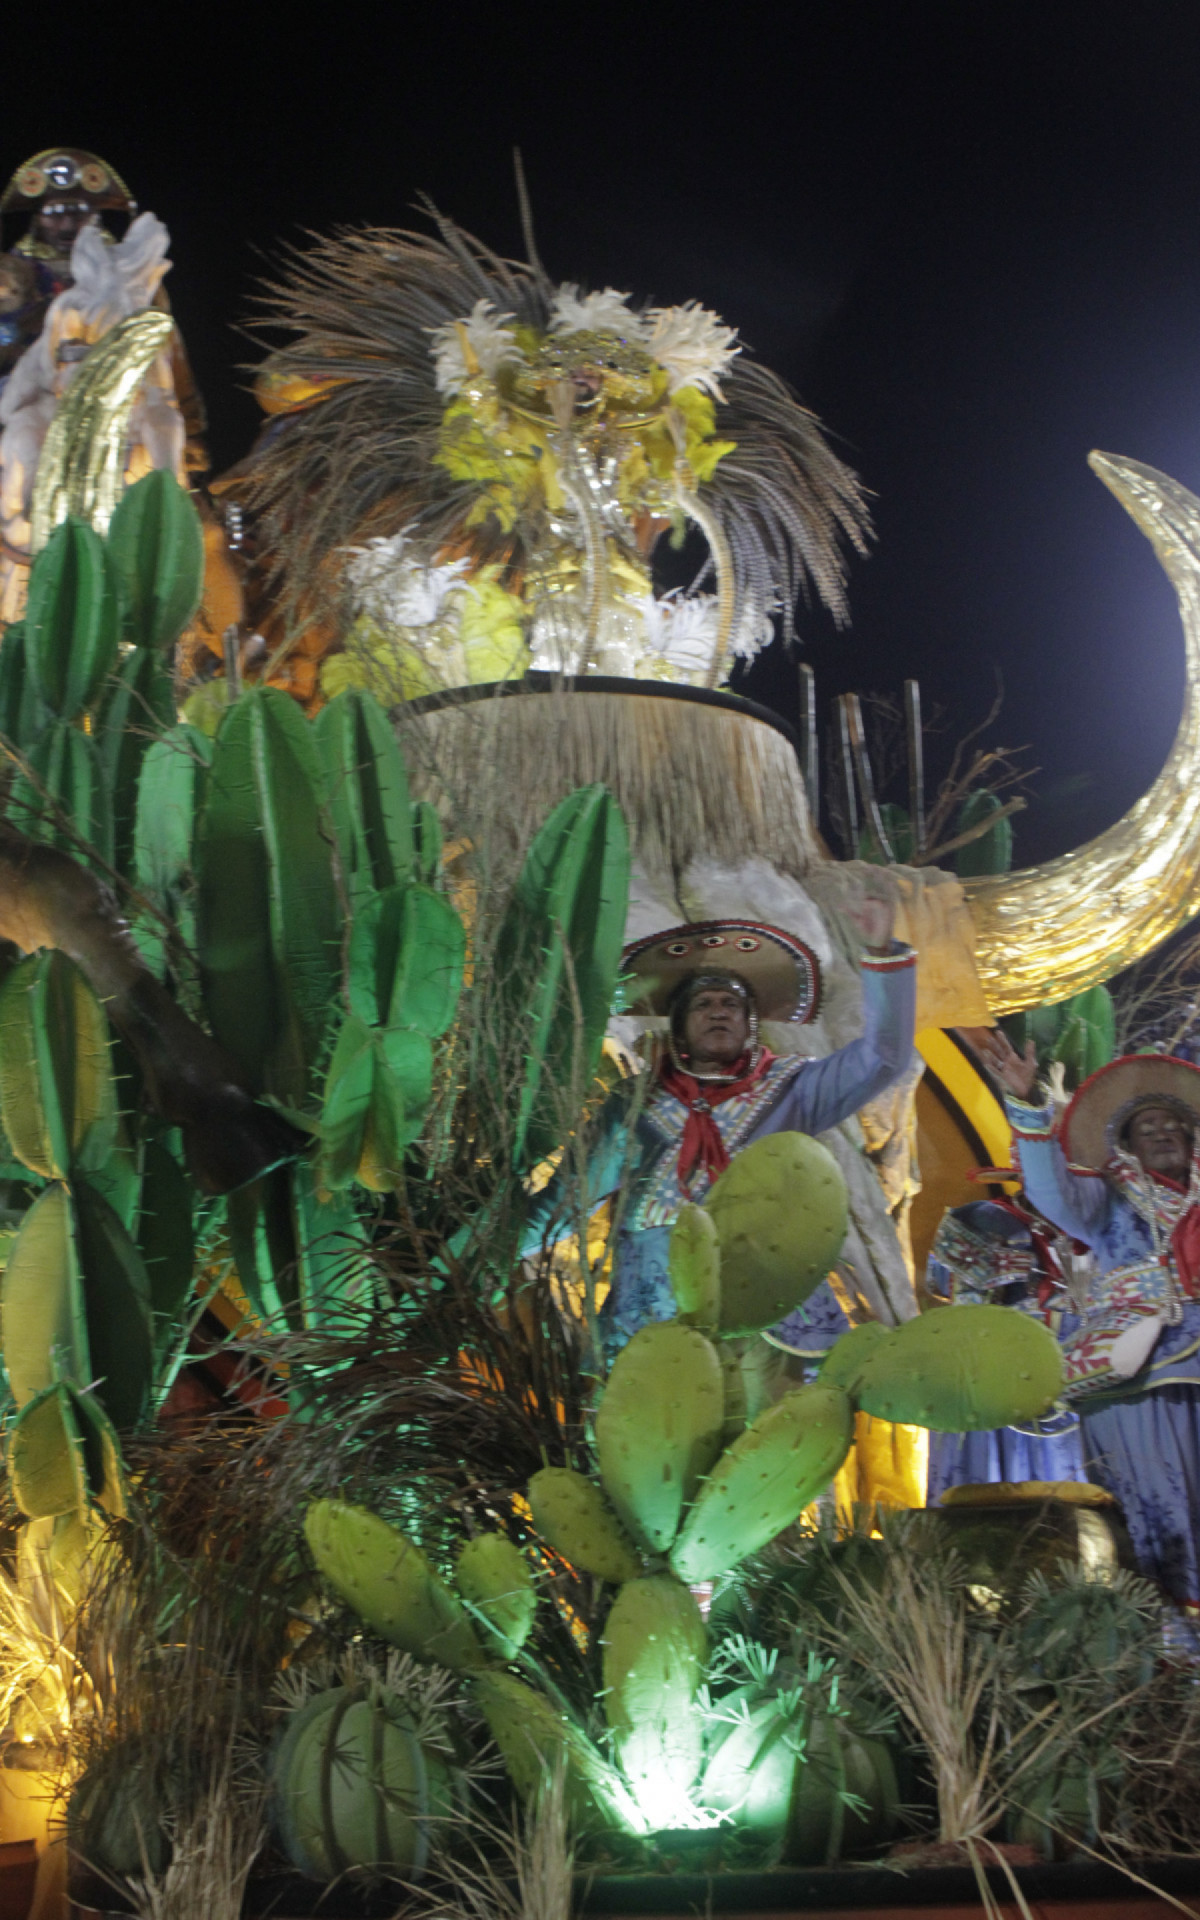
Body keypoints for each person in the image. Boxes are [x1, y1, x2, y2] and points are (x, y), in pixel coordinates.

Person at [522, 897, 917, 1351]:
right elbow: (564, 1205)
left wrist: (884, 952)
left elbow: (883, 1058)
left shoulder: (792, 1089)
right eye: (703, 1004)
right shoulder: (633, 1105)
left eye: (732, 1004)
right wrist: (463, 1260)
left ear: (750, 1024)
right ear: (679, 1026)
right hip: (651, 1321)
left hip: (764, 1327)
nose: (718, 1011)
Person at [983, 1031, 1200, 1610]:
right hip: (1137, 1378)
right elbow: (1050, 1192)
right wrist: (1029, 1106)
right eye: (1145, 1127)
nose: (1161, 1132)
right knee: (1158, 1524)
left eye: (1173, 1125)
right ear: (1124, 1146)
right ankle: (1175, 1658)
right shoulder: (1105, 1198)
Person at [923, 1177, 1088, 1502]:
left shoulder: (1095, 1225)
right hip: (998, 1389)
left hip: (1078, 1386)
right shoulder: (989, 1219)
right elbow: (970, 1322)